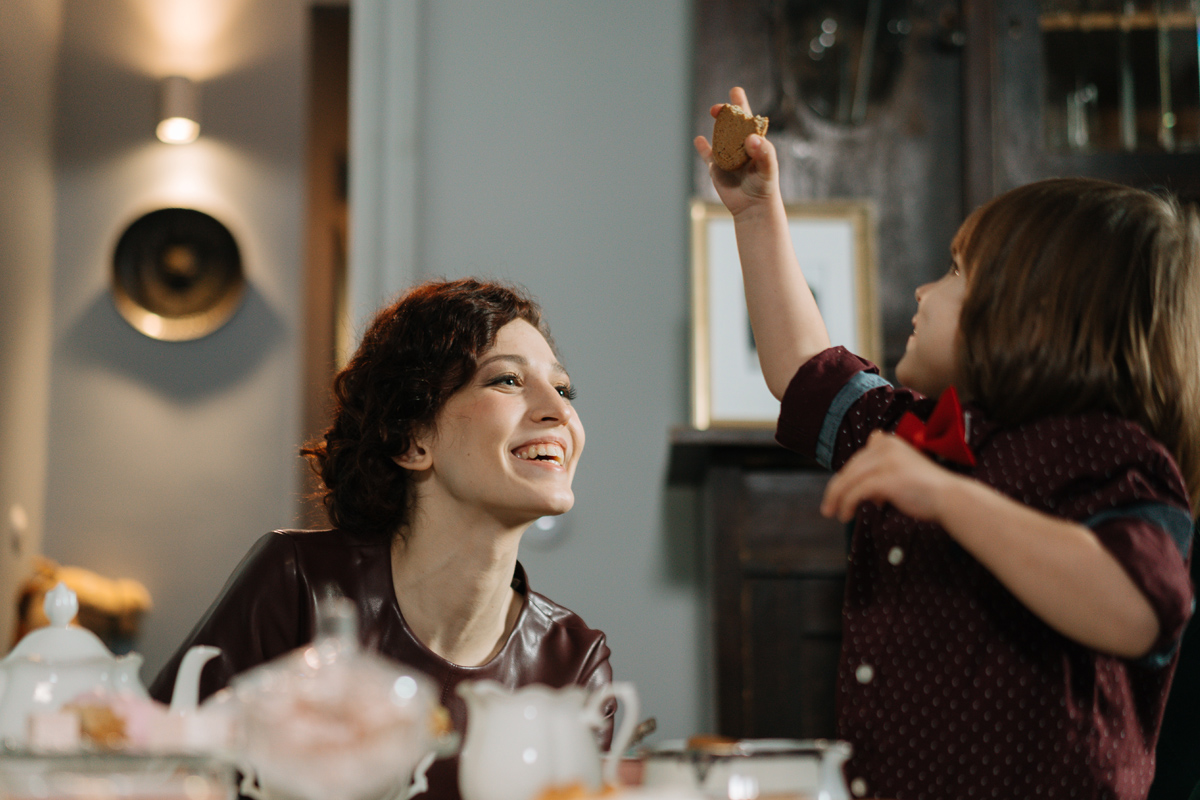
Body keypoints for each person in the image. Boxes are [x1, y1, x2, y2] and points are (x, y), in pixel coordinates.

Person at [695, 87, 1199, 800]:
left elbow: (1139, 605)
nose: (924, 293)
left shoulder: (1107, 455)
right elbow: (803, 369)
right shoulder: (921, 432)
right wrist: (755, 212)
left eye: (958, 272)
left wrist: (950, 498)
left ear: (1039, 314)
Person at [150, 278, 613, 800]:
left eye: (564, 388)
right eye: (507, 380)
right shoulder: (298, 583)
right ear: (410, 439)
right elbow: (145, 772)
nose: (560, 410)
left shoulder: (573, 660)